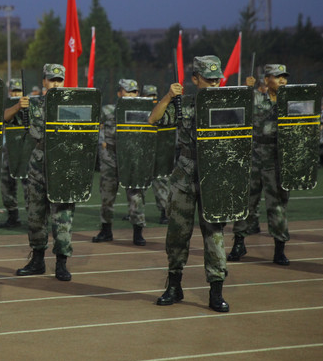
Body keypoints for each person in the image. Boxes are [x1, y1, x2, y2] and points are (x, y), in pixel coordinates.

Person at [149, 55, 230, 313]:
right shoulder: (183, 104)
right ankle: (174, 285)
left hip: (215, 176)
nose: (214, 83)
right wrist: (168, 97)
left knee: (214, 235)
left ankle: (216, 291)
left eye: (217, 79)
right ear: (195, 79)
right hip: (185, 175)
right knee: (177, 234)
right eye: (209, 79)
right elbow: (153, 119)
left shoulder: (229, 103)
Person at [10, 64, 77, 281]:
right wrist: (18, 106)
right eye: (51, 79)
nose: (55, 84)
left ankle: (61, 263)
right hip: (38, 162)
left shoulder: (74, 105)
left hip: (63, 163)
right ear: (44, 82)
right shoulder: (33, 104)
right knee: (35, 214)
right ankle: (37, 260)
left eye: (59, 80)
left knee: (62, 216)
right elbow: (4, 118)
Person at [227, 64, 293, 266]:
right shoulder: (255, 98)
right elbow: (236, 108)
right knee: (245, 203)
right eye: (277, 77)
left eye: (284, 77)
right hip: (253, 158)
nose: (282, 80)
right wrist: (246, 89)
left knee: (277, 206)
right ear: (266, 80)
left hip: (277, 161)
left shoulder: (291, 101)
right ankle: (239, 243)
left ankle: (279, 249)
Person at [94, 78, 148, 245]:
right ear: (119, 93)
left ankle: (138, 232)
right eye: (127, 91)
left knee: (135, 195)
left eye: (134, 92)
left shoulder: (143, 111)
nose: (131, 95)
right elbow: (93, 123)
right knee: (107, 195)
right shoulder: (108, 110)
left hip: (132, 156)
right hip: (110, 156)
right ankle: (106, 230)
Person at [0, 78, 27, 228]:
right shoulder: (6, 105)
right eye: (14, 91)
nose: (16, 94)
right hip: (8, 149)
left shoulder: (31, 104)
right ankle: (13, 216)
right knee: (6, 184)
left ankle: (35, 217)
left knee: (29, 184)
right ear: (9, 91)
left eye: (19, 91)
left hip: (25, 149)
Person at [142, 84, 170, 225]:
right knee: (139, 184)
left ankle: (165, 212)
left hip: (159, 152)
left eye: (153, 95)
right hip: (142, 152)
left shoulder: (161, 109)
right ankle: (136, 212)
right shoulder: (139, 110)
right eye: (148, 95)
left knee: (161, 183)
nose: (151, 98)